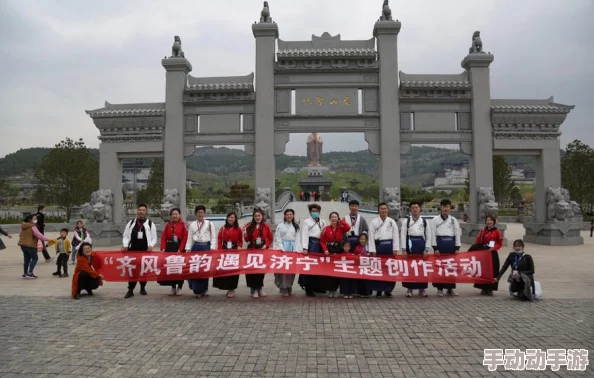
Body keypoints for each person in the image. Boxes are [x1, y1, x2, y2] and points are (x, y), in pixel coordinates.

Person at [122, 204, 158, 299]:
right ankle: (130, 289)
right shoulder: (131, 223)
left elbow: (154, 238)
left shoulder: (150, 224)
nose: (141, 212)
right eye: (140, 210)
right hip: (132, 250)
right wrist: (125, 245)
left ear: (146, 212)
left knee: (143, 270)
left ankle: (143, 287)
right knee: (132, 270)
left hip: (145, 251)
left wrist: (151, 245)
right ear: (137, 211)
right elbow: (125, 236)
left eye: (143, 210)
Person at [430, 199, 461, 297]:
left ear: (450, 208)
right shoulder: (435, 220)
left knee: (451, 267)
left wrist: (457, 247)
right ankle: (440, 289)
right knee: (440, 268)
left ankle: (450, 288)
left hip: (450, 245)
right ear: (441, 207)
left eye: (447, 206)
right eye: (444, 206)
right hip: (440, 244)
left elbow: (457, 233)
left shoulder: (453, 220)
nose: (445, 209)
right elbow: (432, 234)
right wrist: (435, 248)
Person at [400, 201, 431, 298]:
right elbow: (403, 235)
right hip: (410, 244)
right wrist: (404, 249)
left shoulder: (424, 221)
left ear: (419, 209)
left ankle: (422, 289)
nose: (414, 209)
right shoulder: (407, 221)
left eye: (416, 207)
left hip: (421, 244)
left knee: (422, 268)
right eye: (413, 208)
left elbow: (428, 235)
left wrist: (426, 249)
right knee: (410, 267)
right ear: (410, 209)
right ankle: (409, 288)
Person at [368, 203, 400, 297]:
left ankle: (388, 289)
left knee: (389, 269)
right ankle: (378, 289)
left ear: (387, 210)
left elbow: (395, 236)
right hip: (378, 247)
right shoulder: (374, 222)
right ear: (378, 210)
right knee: (378, 269)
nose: (384, 210)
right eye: (382, 209)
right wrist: (372, 249)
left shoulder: (392, 221)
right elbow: (371, 236)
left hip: (389, 246)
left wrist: (395, 248)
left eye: (385, 209)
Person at [185, 205, 217, 298]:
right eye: (198, 212)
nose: (200, 214)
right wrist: (188, 249)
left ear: (204, 213)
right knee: (195, 269)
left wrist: (212, 248)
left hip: (206, 247)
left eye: (202, 212)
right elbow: (189, 238)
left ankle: (204, 289)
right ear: (196, 214)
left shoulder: (209, 224)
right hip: (196, 247)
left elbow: (213, 237)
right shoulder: (192, 224)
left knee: (204, 270)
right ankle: (197, 290)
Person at [469, 215, 503, 296]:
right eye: (487, 220)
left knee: (493, 270)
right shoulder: (482, 231)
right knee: (483, 270)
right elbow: (478, 241)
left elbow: (499, 243)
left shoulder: (497, 231)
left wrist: (494, 248)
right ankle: (483, 288)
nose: (489, 222)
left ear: (494, 222)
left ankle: (490, 289)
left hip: (492, 253)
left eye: (491, 220)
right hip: (484, 253)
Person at [320, 211, 351, 297]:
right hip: (329, 250)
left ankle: (336, 289)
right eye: (332, 217)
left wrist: (341, 222)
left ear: (338, 218)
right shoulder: (326, 229)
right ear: (330, 219)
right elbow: (322, 241)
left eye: (335, 217)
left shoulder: (341, 228)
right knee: (329, 271)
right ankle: (330, 289)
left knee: (337, 271)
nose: (334, 218)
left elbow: (348, 228)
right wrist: (325, 249)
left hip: (338, 249)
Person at [213, 211, 243, 298]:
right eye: (229, 217)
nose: (230, 219)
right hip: (225, 250)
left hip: (234, 251)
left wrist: (240, 246)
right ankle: (227, 287)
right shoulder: (223, 228)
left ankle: (232, 288)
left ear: (235, 219)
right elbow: (219, 239)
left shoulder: (238, 229)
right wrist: (219, 249)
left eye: (232, 217)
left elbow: (240, 240)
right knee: (225, 269)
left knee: (233, 271)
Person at [158, 208, 188, 296]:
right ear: (171, 216)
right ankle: (173, 287)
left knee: (179, 269)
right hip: (169, 248)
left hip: (179, 248)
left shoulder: (183, 225)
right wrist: (163, 248)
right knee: (171, 268)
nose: (175, 216)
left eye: (176, 214)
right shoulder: (168, 225)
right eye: (173, 214)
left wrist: (181, 249)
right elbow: (163, 237)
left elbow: (185, 238)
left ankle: (180, 287)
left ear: (179, 215)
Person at [243, 209, 273, 298]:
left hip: (261, 250)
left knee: (260, 270)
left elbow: (270, 238)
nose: (257, 217)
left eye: (259, 216)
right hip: (251, 250)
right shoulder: (249, 226)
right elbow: (247, 240)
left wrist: (266, 245)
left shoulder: (266, 227)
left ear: (262, 216)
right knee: (251, 270)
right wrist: (245, 234)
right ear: (253, 217)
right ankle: (254, 289)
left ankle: (259, 288)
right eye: (255, 216)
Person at [299, 203, 327, 297]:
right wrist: (305, 248)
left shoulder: (322, 222)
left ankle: (318, 287)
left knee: (320, 267)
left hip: (320, 245)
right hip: (311, 245)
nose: (315, 213)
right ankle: (308, 288)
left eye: (316, 211)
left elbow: (325, 234)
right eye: (313, 211)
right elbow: (305, 235)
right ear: (310, 212)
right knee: (310, 266)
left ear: (319, 212)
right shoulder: (307, 222)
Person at [273, 209, 301, 296]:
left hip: (292, 248)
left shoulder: (296, 226)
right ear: (285, 216)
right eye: (287, 214)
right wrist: (280, 248)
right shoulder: (280, 226)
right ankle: (283, 288)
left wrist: (297, 250)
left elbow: (297, 239)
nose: (289, 216)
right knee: (283, 270)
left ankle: (289, 286)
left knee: (291, 270)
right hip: (282, 248)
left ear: (293, 216)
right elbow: (277, 238)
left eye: (291, 214)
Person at [18, 214, 50, 279]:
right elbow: (39, 235)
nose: (36, 220)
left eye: (36, 218)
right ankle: (30, 273)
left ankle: (25, 273)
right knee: (35, 258)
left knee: (27, 259)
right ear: (30, 219)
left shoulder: (24, 226)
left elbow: (20, 235)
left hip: (23, 245)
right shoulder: (33, 226)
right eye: (34, 218)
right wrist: (48, 239)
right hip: (30, 245)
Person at [353, 232, 372, 297]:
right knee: (361, 280)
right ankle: (361, 292)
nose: (362, 240)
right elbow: (354, 256)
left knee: (367, 280)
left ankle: (368, 292)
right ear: (359, 240)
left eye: (364, 239)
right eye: (361, 239)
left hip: (368, 266)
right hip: (360, 267)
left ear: (366, 240)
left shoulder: (369, 247)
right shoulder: (357, 248)